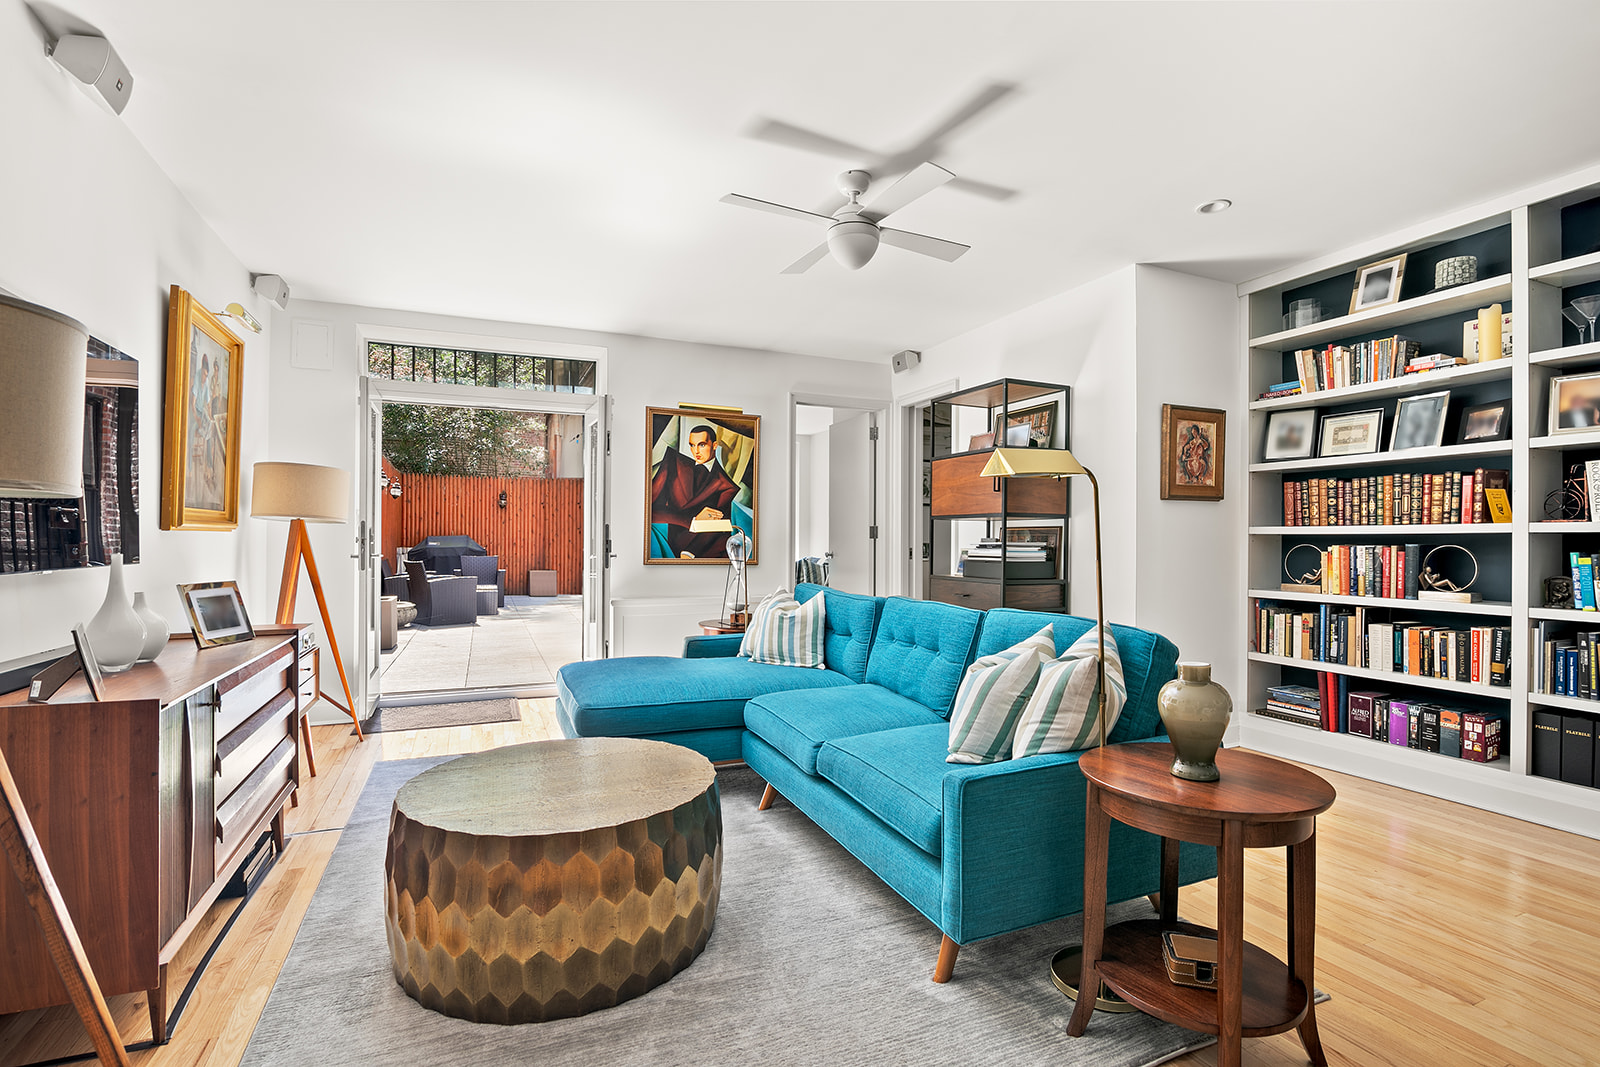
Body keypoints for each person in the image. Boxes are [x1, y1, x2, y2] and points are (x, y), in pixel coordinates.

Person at [650, 423, 740, 558]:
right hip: (671, 549)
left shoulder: (727, 486)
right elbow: (651, 509)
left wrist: (689, 553)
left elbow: (717, 529)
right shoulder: (673, 462)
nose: (696, 451)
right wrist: (692, 520)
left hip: (705, 553)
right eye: (692, 445)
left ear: (714, 446)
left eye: (702, 445)